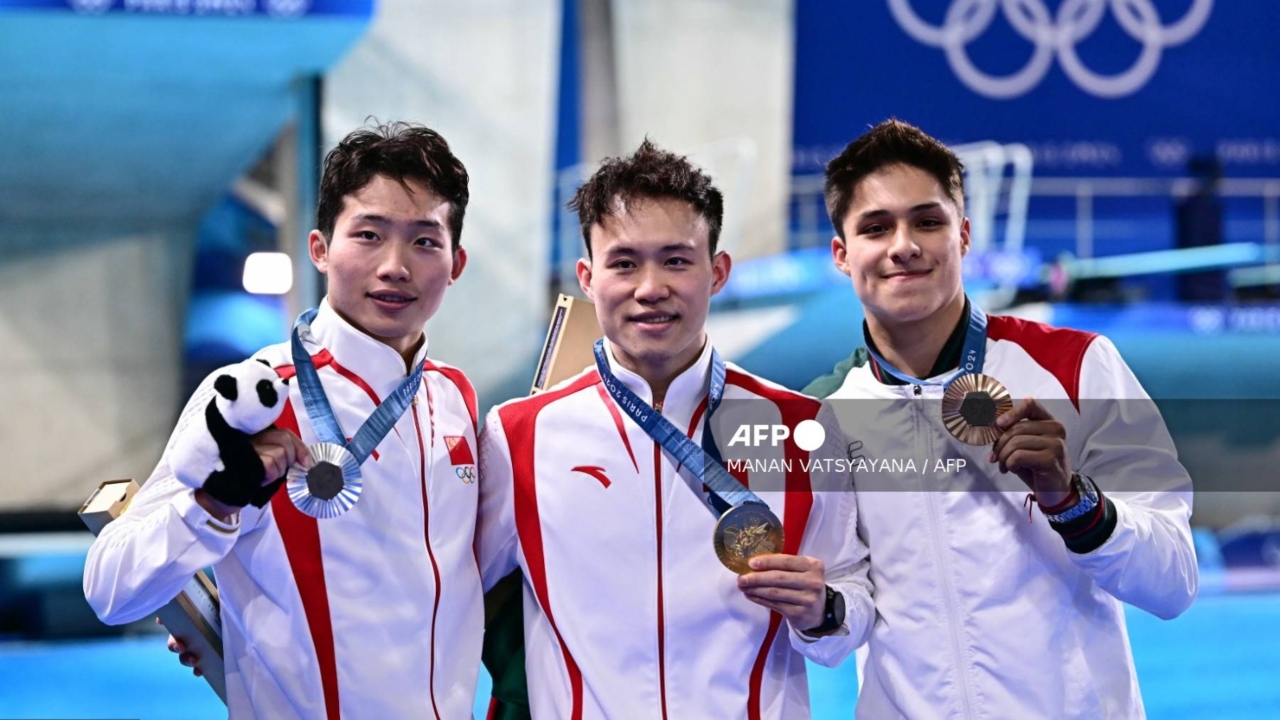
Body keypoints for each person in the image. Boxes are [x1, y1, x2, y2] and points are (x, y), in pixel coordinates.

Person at [83, 122, 484, 720]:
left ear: (456, 263)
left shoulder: (455, 397)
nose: (395, 266)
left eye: (425, 241)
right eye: (369, 234)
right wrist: (212, 507)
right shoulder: (255, 397)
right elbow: (110, 589)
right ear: (320, 248)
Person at [805, 119, 1198, 719]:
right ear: (841, 254)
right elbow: (841, 630)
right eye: (876, 227)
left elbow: (1172, 581)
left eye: (927, 221)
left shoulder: (1077, 365)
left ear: (963, 235)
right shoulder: (823, 416)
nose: (903, 245)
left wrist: (1075, 504)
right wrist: (818, 611)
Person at [476, 140, 874, 719]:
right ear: (587, 277)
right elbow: (448, 594)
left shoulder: (802, 428)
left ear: (717, 272)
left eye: (677, 260)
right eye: (624, 262)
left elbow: (849, 614)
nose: (650, 287)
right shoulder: (519, 434)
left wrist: (824, 611)